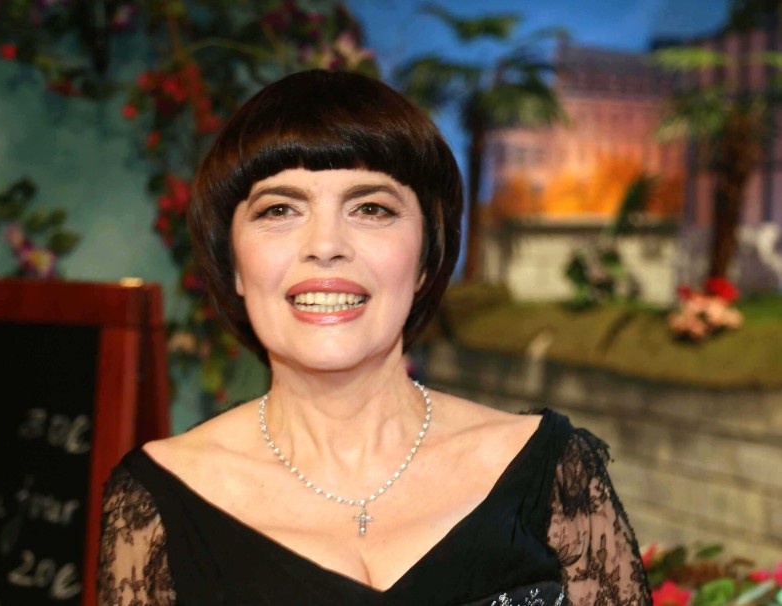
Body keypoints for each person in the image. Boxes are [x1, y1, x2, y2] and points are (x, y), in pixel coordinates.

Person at [97, 69, 650, 606]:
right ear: (233, 263)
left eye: (371, 208)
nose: (325, 245)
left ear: (427, 257)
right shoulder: (158, 502)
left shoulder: (550, 473)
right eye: (280, 209)